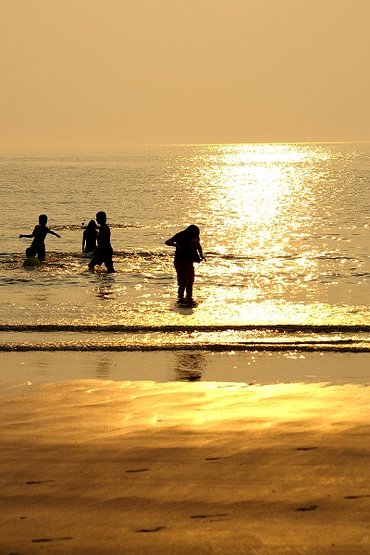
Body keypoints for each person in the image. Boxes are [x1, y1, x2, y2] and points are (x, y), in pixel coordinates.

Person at [165, 224, 205, 305]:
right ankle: (181, 299)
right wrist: (176, 245)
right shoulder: (180, 235)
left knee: (190, 281)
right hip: (180, 261)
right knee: (183, 282)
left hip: (189, 261)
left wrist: (201, 255)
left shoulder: (195, 236)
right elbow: (167, 242)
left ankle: (189, 297)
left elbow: (198, 246)